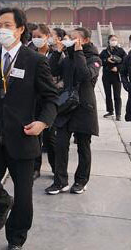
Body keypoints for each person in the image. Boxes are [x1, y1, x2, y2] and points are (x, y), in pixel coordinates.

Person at [0, 8, 58, 250]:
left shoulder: (35, 61)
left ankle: (15, 240)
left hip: (22, 136)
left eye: (8, 25)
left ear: (20, 29)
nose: (2, 30)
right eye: (0, 25)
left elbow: (51, 98)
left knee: (25, 199)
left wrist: (43, 122)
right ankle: (3, 202)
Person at [46, 27, 101, 195]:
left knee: (83, 146)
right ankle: (60, 181)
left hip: (84, 106)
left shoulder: (94, 58)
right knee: (61, 144)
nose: (69, 39)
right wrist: (57, 52)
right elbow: (51, 70)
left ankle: (81, 181)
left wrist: (78, 53)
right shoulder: (67, 58)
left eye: (73, 37)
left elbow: (85, 75)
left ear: (84, 40)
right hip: (66, 106)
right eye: (69, 37)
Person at [30, 24, 57, 180]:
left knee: (51, 139)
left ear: (47, 36)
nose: (36, 39)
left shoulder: (56, 54)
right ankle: (35, 168)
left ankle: (55, 168)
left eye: (39, 36)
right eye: (34, 36)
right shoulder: (30, 54)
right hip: (33, 101)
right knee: (35, 138)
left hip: (49, 102)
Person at [100, 35, 126, 121]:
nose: (114, 41)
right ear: (108, 41)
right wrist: (106, 60)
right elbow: (99, 61)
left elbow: (125, 62)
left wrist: (118, 68)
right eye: (112, 40)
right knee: (108, 95)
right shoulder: (104, 52)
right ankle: (110, 110)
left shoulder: (121, 51)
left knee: (117, 95)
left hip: (116, 76)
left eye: (115, 40)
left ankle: (118, 114)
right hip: (106, 76)